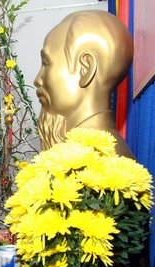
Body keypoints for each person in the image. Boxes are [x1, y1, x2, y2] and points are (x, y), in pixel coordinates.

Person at [34, 10, 134, 158]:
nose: (37, 80)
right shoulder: (79, 154)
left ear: (85, 68)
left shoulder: (96, 162)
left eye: (46, 64)